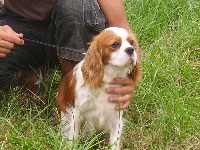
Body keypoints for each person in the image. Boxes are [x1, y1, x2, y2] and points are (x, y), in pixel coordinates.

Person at [0, 0, 140, 110]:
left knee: (72, 7)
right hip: (19, 25)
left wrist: (130, 79)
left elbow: (121, 27)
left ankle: (74, 99)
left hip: (75, 25)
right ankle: (30, 74)